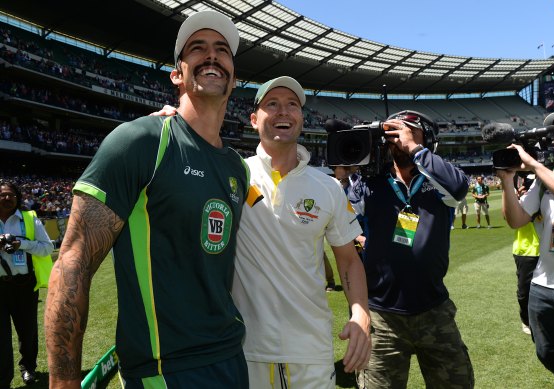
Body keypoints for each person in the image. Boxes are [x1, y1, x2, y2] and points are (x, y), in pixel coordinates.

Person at [44, 11, 250, 388]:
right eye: (197, 49)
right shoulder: (140, 142)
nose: (212, 55)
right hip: (164, 371)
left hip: (232, 358)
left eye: (222, 50)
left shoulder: (238, 168)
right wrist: (63, 381)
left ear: (234, 78)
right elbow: (72, 262)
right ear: (177, 74)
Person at [231, 76, 370, 389]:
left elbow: (348, 260)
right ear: (254, 120)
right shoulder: (232, 174)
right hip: (245, 351)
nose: (284, 111)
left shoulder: (328, 187)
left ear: (301, 118)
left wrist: (360, 313)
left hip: (311, 351)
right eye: (273, 104)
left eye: (292, 104)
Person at [347, 110, 474, 388]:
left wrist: (415, 148)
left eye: (407, 131)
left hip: (433, 308)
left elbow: (459, 187)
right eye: (392, 133)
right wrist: (345, 173)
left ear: (426, 139)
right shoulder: (370, 183)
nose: (398, 138)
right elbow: (341, 220)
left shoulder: (438, 178)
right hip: (381, 315)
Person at [497, 105, 554, 389]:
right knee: (547, 354)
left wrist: (535, 166)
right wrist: (507, 180)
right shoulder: (551, 175)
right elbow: (517, 219)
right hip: (544, 285)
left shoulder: (547, 174)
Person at [0, 181, 53, 388]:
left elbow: (47, 248)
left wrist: (21, 243)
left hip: (24, 285)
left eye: (11, 195)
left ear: (17, 198)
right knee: (1, 337)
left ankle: (28, 368)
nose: (7, 198)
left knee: (27, 332)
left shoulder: (30, 218)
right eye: (3, 194)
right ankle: (3, 380)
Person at [510, 174, 540, 335]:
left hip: (547, 249)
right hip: (525, 250)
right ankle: (526, 320)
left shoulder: (545, 197)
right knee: (524, 292)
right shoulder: (521, 201)